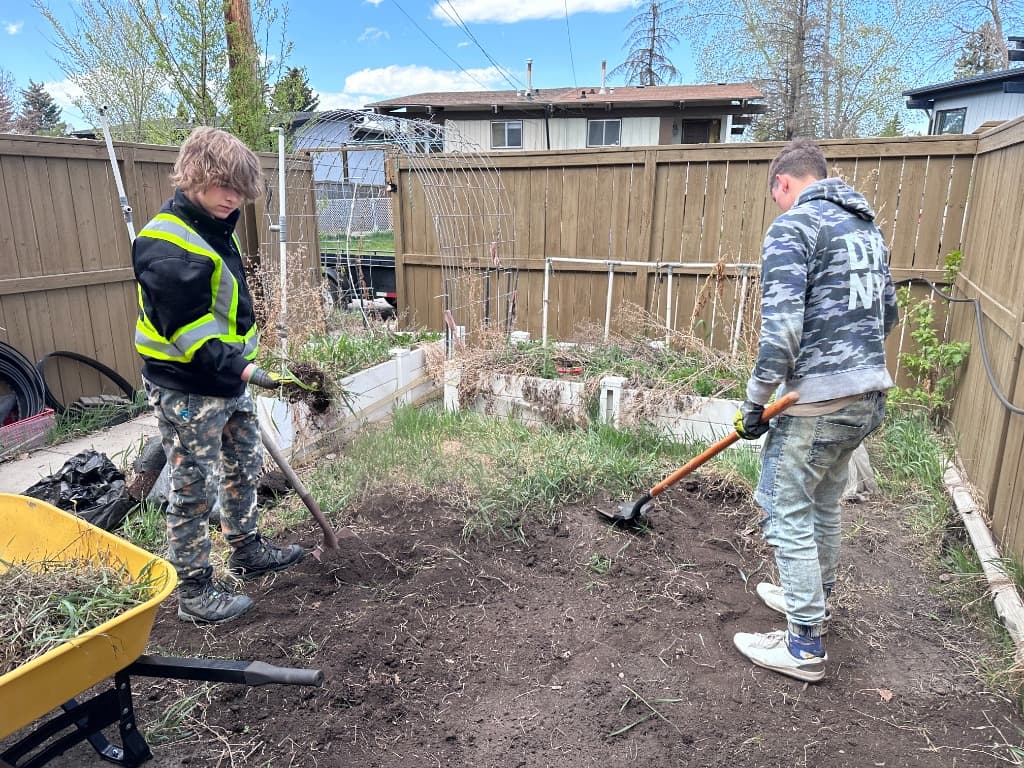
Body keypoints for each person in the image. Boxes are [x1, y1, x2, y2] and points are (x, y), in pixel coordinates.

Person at [731, 137, 899, 682]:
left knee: (786, 510)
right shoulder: (867, 231)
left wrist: (755, 403)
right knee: (824, 499)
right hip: (867, 396)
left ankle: (804, 644)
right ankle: (814, 597)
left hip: (816, 404)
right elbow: (887, 314)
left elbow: (780, 329)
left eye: (775, 194)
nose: (777, 205)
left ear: (783, 183)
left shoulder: (794, 227)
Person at [133, 126, 303, 624]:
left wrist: (242, 371)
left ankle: (246, 549)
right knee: (192, 488)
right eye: (224, 186)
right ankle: (194, 592)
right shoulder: (165, 244)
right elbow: (189, 331)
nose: (234, 198)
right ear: (194, 175)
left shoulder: (212, 224)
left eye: (239, 190)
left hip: (227, 383)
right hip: (189, 389)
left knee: (243, 467)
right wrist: (248, 369)